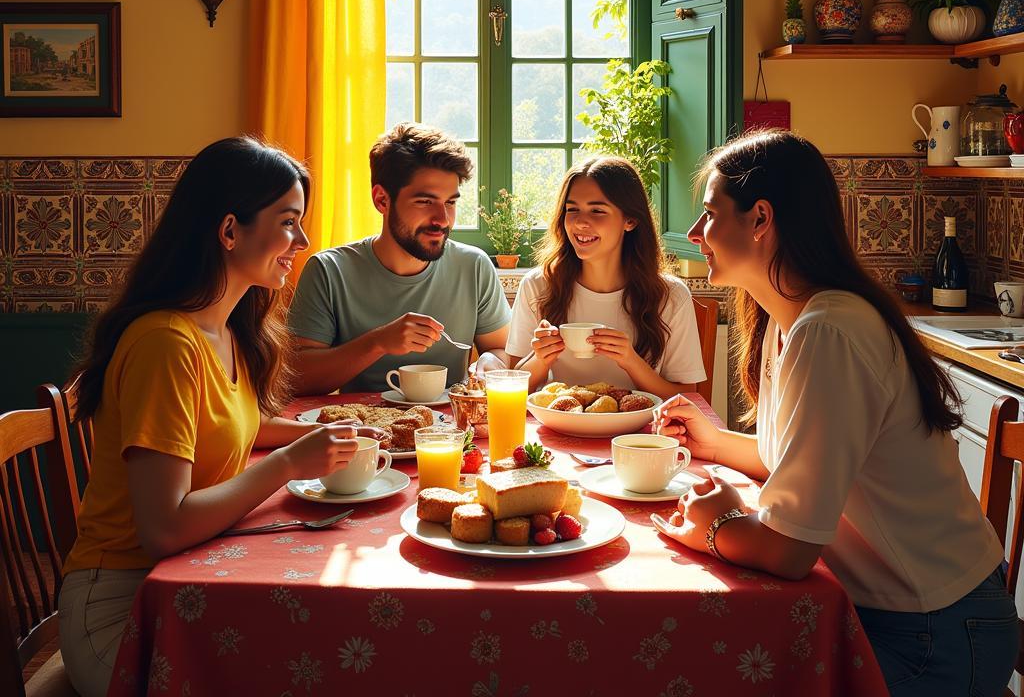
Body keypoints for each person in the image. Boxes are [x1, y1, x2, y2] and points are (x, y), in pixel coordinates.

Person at [652, 130, 1018, 696]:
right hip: (898, 614)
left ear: (760, 219)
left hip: (936, 632)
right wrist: (715, 443)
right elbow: (806, 465)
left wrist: (716, 528)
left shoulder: (828, 331)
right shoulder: (789, 319)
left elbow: (791, 551)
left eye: (708, 215)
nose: (697, 235)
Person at [59, 137, 379, 697]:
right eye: (288, 222)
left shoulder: (223, 329)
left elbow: (236, 426)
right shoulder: (167, 344)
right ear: (229, 231)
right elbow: (165, 529)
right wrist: (287, 463)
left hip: (178, 587)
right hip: (123, 610)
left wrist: (324, 436)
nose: (301, 242)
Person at [288, 123, 511, 395]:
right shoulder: (329, 270)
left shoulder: (474, 267)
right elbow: (297, 378)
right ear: (382, 200)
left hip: (448, 433)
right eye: (425, 202)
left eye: (450, 202)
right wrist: (378, 342)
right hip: (360, 430)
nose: (443, 219)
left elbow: (500, 349)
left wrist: (491, 361)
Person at [508, 156, 705, 399]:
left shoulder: (671, 296)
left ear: (630, 220)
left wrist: (631, 361)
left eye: (597, 211)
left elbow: (689, 396)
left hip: (639, 435)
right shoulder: (537, 286)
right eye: (572, 210)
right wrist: (540, 360)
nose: (580, 222)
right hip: (558, 428)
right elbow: (511, 385)